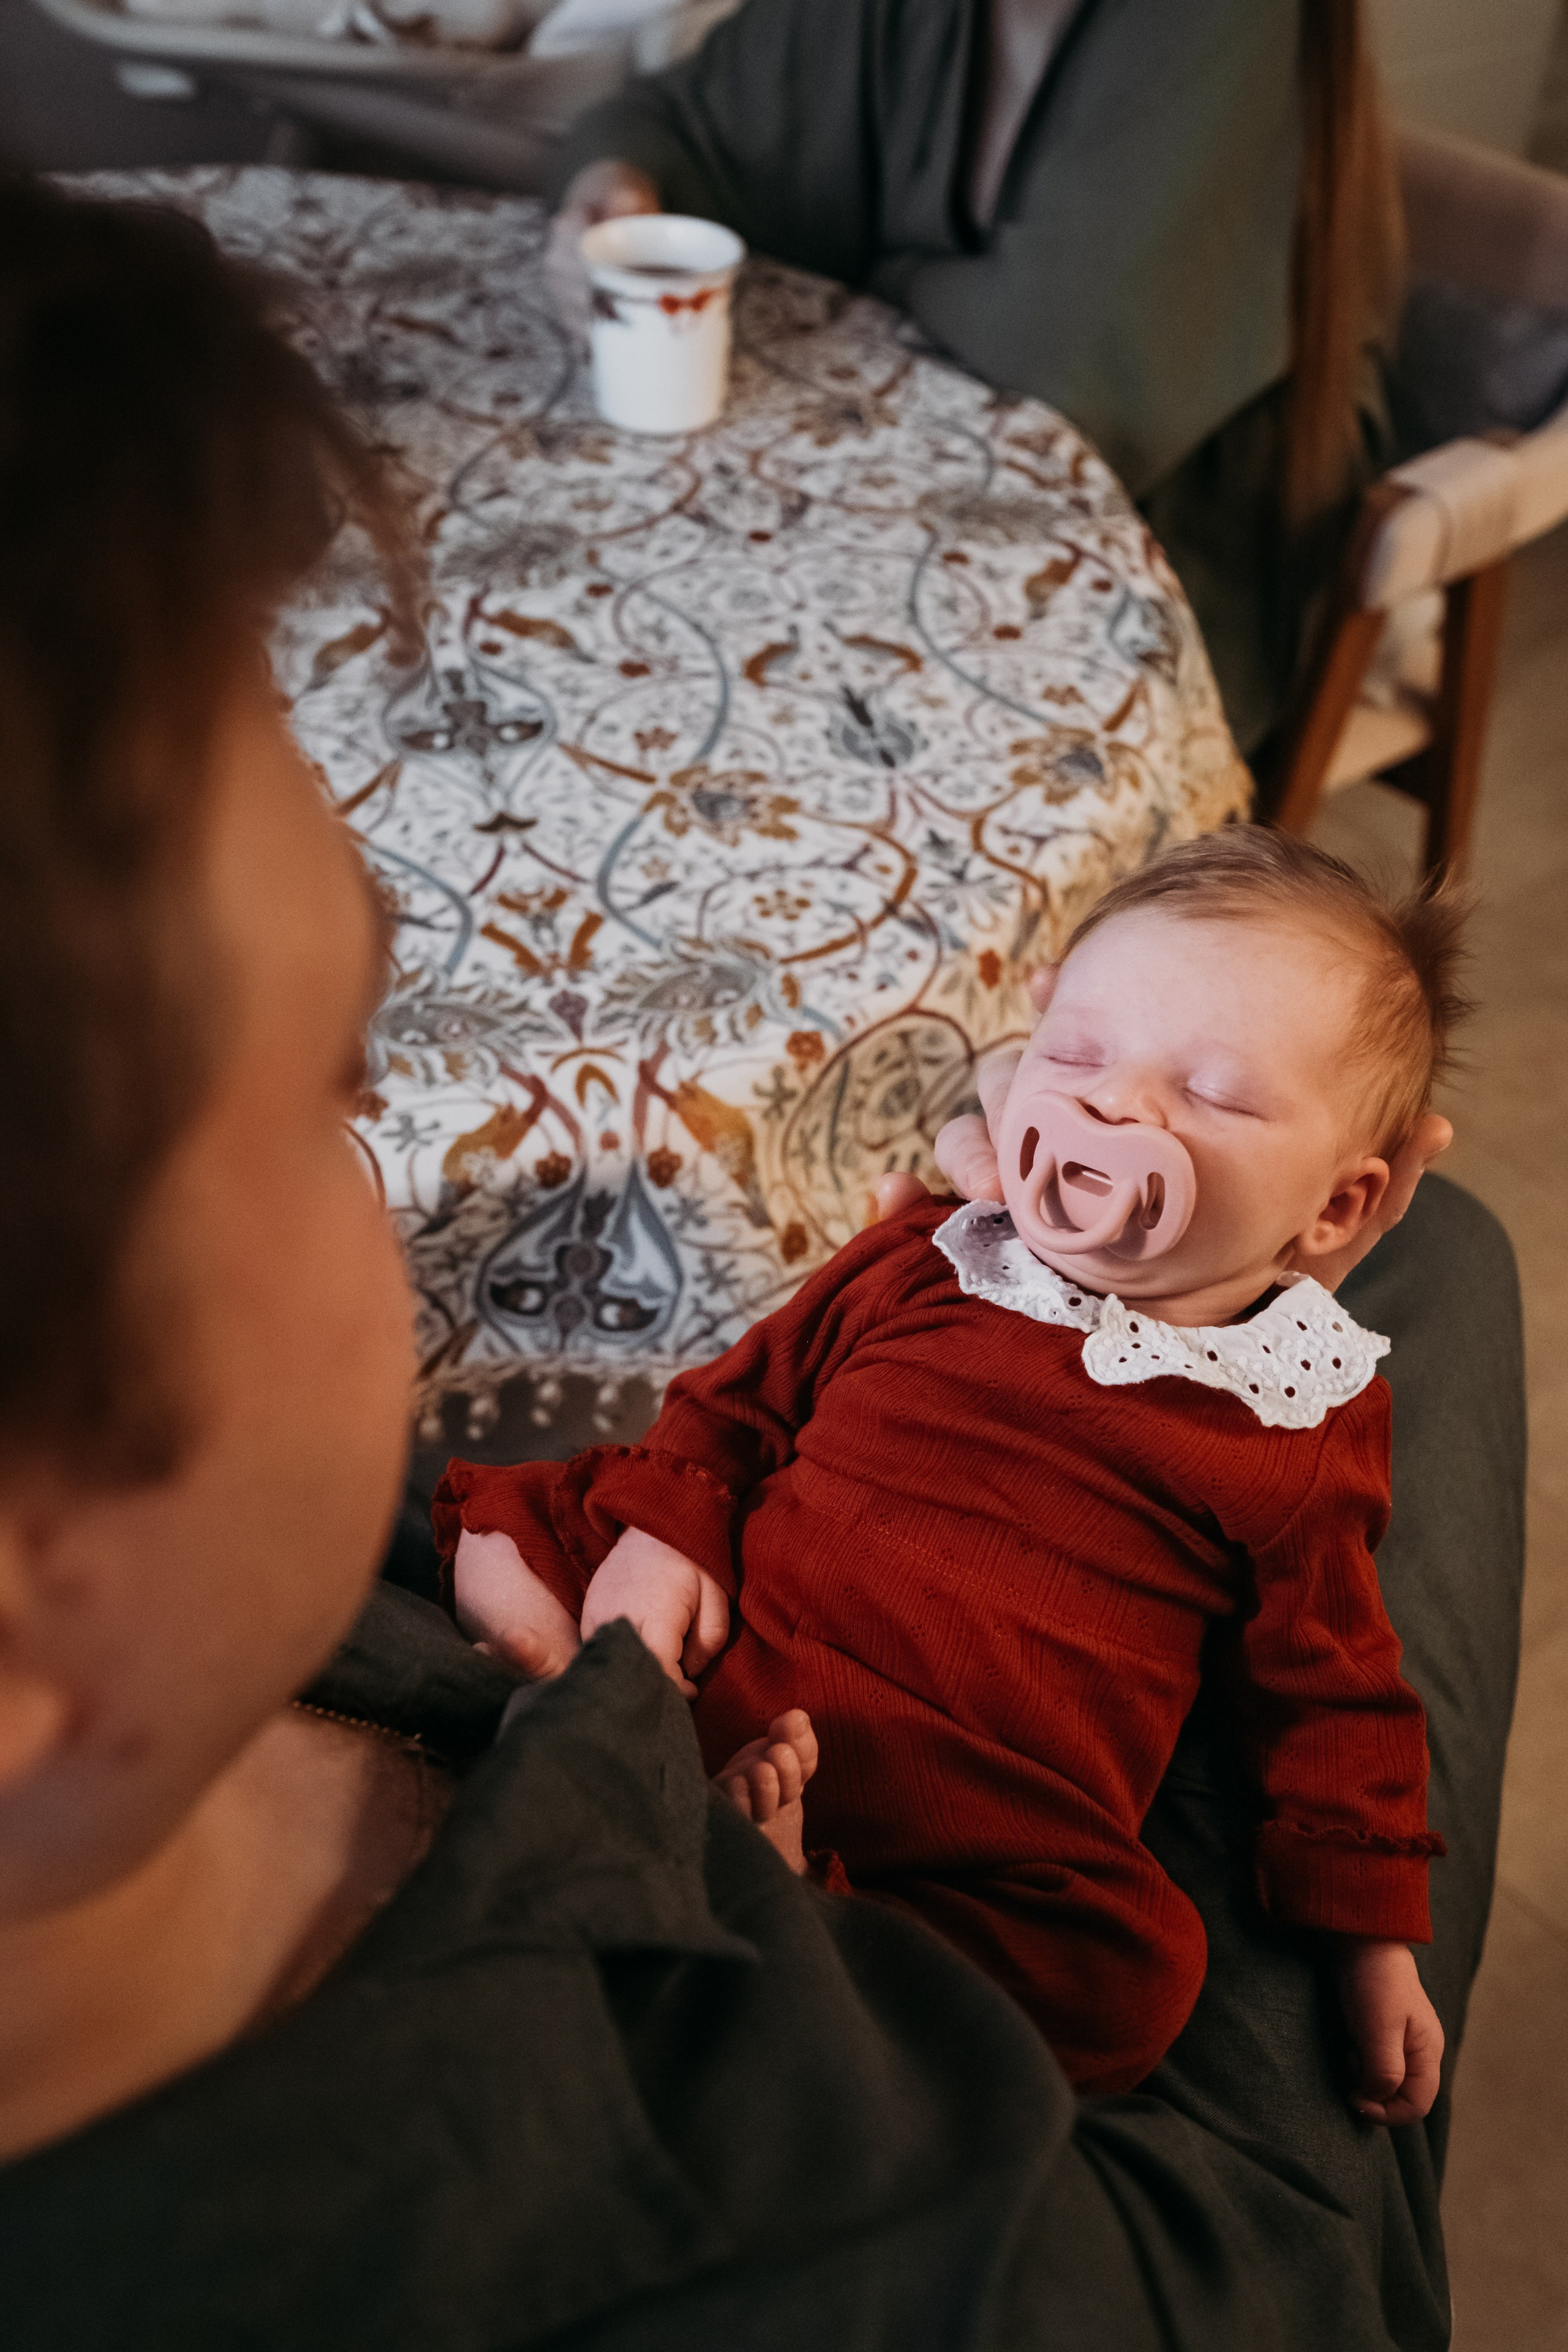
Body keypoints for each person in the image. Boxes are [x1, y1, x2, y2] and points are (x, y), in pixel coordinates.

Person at [0, 176, 1523, 2352]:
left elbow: (1325, 1671)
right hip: (1004, 1991)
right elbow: (750, 1394)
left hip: (820, 1719)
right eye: (330, 1097)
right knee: (1455, 1277)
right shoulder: (869, 2243)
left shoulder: (245, 1654)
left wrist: (663, 1536)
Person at [437, 832, 1454, 2113]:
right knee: (513, 1509)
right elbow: (745, 1392)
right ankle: (567, 1681)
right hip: (731, 1637)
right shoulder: (938, 1251)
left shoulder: (1294, 1413)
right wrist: (666, 1533)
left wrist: (1370, 1941)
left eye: (1211, 1095)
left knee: (1125, 1980)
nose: (1113, 1111)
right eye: (1073, 1057)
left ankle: (796, 1902)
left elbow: (1334, 1684)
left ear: (1339, 1207)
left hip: (972, 1799)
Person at [545, 0, 1403, 765]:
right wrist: (618, 183)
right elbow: (689, 125)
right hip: (916, 486)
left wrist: (870, 276)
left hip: (1168, 550)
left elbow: (1061, 360)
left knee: (777, 725)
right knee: (629, 649)